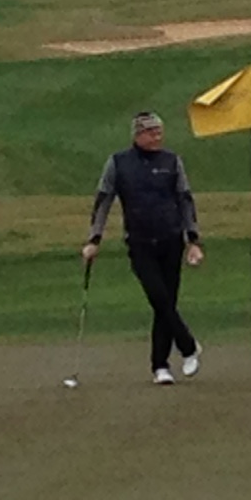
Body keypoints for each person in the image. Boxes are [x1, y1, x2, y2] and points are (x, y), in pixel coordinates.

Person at [83, 110, 203, 384]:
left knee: (166, 303)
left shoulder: (172, 161)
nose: (158, 137)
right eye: (152, 132)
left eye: (159, 131)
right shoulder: (118, 163)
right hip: (139, 242)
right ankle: (188, 346)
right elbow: (103, 201)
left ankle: (160, 367)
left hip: (171, 240)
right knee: (158, 297)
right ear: (138, 135)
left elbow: (185, 200)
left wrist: (193, 241)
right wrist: (94, 239)